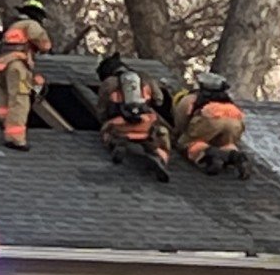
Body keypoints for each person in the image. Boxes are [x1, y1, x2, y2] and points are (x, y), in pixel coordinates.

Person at [0, 0, 54, 151]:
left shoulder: (9, 27)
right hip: (16, 66)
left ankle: (4, 123)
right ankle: (15, 138)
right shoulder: (30, 25)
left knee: (4, 100)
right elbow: (44, 44)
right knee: (20, 100)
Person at [98, 54, 173, 182]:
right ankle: (159, 157)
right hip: (146, 124)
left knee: (106, 130)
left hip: (120, 125)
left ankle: (116, 143)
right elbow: (159, 100)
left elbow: (102, 110)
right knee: (161, 137)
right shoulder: (145, 77)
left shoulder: (108, 83)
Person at [175, 70, 249, 176]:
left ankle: (209, 156)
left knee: (188, 143)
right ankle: (237, 157)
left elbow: (180, 121)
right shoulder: (228, 101)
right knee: (225, 144)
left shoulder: (192, 98)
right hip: (234, 124)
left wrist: (184, 135)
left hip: (210, 121)